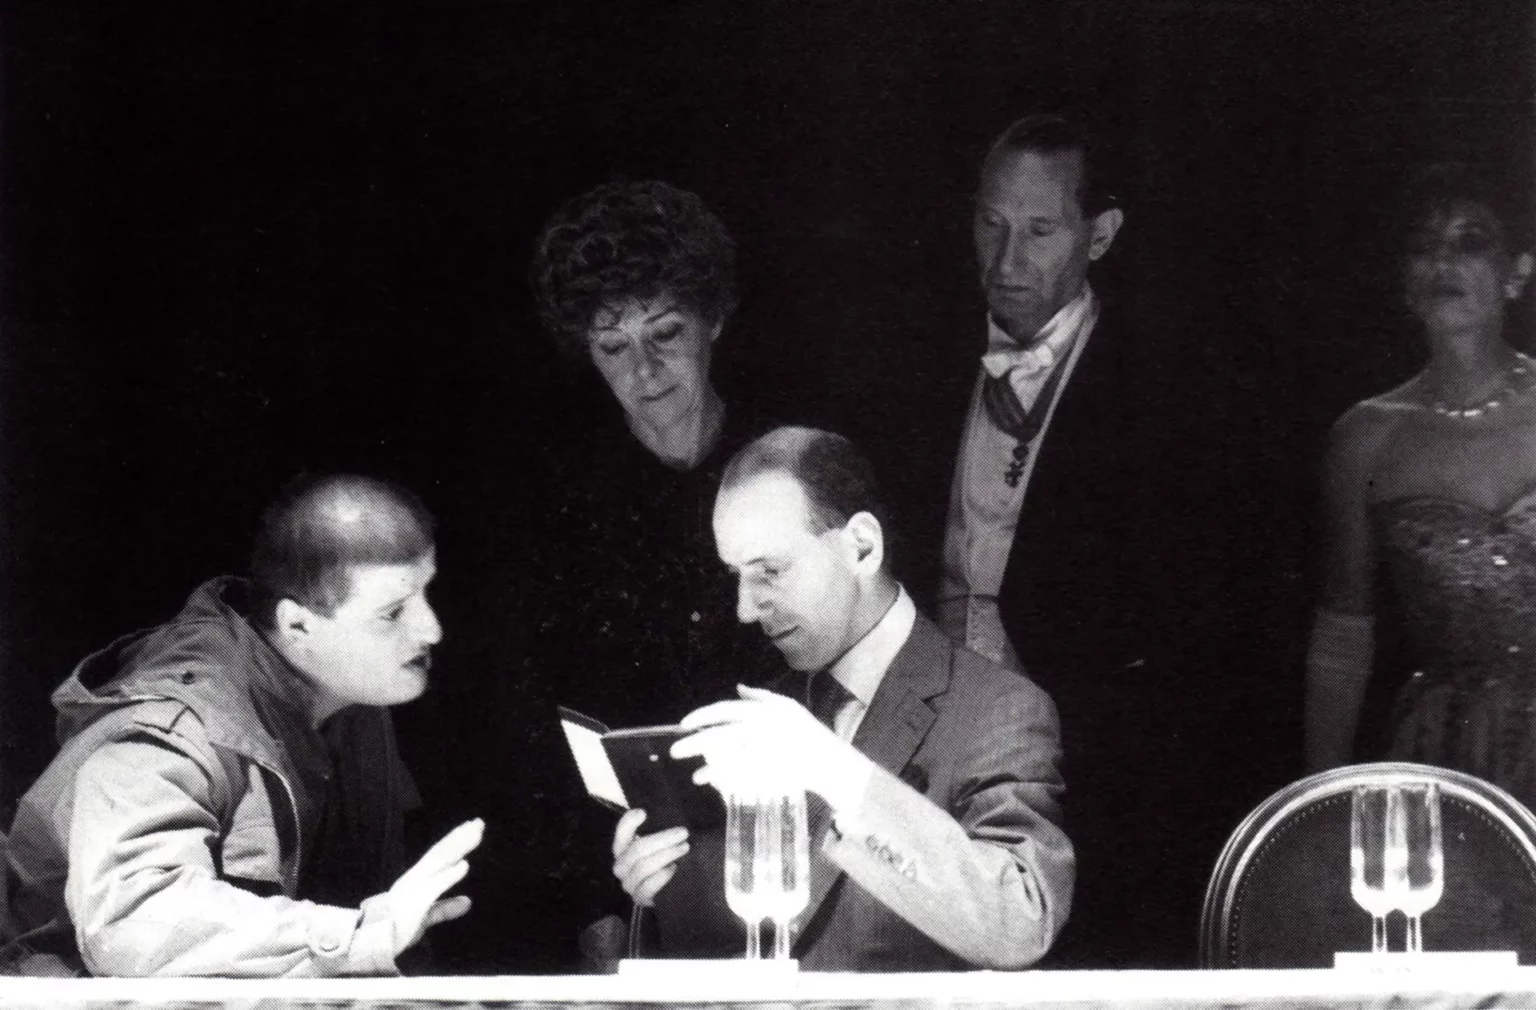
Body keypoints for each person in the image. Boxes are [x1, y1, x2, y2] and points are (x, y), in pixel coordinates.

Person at [459, 179, 781, 969]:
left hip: (784, 850)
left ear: (715, 317)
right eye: (613, 347)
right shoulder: (558, 499)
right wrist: (596, 915)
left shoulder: (787, 460)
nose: (645, 370)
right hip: (626, 874)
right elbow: (535, 725)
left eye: (666, 333)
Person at [611, 426, 1073, 971]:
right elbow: (760, 946)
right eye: (737, 576)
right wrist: (664, 889)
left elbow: (1021, 922)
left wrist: (838, 771)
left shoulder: (998, 709)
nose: (745, 609)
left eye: (770, 571)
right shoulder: (774, 710)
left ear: (862, 547)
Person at [2, 474, 482, 977]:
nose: (432, 629)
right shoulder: (175, 725)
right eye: (393, 612)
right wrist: (357, 935)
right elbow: (130, 921)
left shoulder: (350, 694)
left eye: (426, 592)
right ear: (298, 625)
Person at [1306, 163, 1536, 802]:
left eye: (1471, 242)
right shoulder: (1367, 437)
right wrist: (1319, 800)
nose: (1444, 262)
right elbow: (1342, 638)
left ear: (1518, 271)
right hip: (1448, 757)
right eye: (1424, 246)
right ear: (1405, 280)